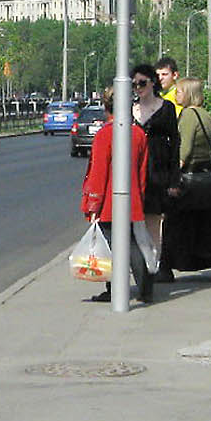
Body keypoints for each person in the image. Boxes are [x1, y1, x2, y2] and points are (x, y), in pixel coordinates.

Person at [79, 86, 155, 303]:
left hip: (109, 204)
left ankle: (114, 290)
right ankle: (145, 288)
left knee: (112, 248)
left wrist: (92, 204)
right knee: (134, 244)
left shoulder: (104, 135)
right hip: (133, 201)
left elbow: (98, 173)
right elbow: (142, 173)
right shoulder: (139, 134)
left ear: (106, 107)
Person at [161, 76, 211, 277]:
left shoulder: (189, 114)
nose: (176, 95)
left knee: (174, 224)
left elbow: (185, 148)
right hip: (205, 178)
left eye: (179, 91)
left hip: (189, 179)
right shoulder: (205, 114)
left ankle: (165, 269)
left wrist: (173, 175)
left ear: (189, 93)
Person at [131, 62, 179, 282]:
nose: (138, 88)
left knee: (153, 221)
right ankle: (139, 267)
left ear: (153, 83)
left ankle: (153, 266)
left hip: (158, 170)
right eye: (135, 84)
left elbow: (175, 143)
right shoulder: (129, 109)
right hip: (134, 170)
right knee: (133, 220)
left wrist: (174, 180)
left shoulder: (166, 108)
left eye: (142, 83)